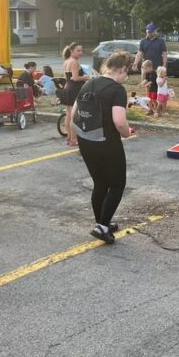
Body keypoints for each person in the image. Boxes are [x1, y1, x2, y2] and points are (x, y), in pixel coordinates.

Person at [73, 51, 133, 244]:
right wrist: (127, 133)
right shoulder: (117, 90)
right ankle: (102, 226)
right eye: (127, 72)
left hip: (86, 140)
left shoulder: (88, 83)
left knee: (100, 183)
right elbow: (119, 122)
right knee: (117, 184)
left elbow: (74, 113)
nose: (126, 77)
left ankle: (102, 222)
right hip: (107, 143)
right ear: (122, 69)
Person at [61, 42, 87, 146]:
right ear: (72, 51)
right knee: (74, 115)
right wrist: (86, 77)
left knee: (68, 114)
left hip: (67, 87)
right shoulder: (74, 62)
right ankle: (73, 139)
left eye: (81, 50)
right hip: (74, 89)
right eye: (78, 50)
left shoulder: (66, 61)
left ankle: (69, 137)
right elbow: (76, 78)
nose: (80, 53)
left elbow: (67, 77)